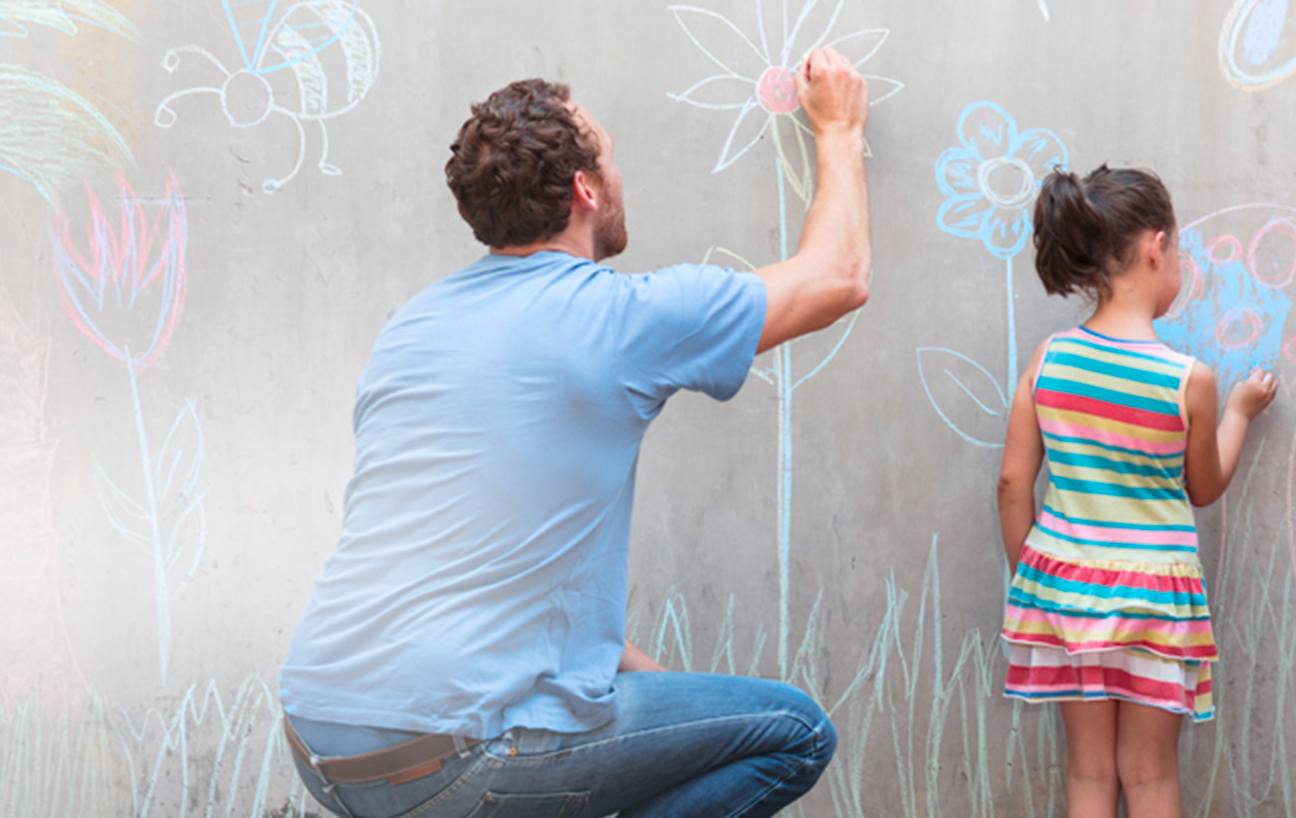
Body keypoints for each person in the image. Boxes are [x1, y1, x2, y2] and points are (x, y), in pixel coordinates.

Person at [275, 49, 872, 818]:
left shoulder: (413, 326)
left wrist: (673, 706)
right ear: (587, 189)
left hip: (323, 744)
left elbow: (517, 588)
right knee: (791, 729)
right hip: (449, 763)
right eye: (614, 163)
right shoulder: (618, 318)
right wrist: (841, 127)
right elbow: (838, 276)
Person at [995, 164, 1279, 818]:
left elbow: (1014, 481)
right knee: (1149, 776)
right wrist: (1239, 412)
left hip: (1067, 588)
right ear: (1157, 247)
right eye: (1177, 250)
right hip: (1154, 594)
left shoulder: (1050, 358)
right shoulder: (1188, 380)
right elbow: (1204, 487)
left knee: (1090, 774)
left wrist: (1032, 578)